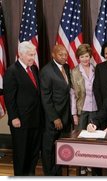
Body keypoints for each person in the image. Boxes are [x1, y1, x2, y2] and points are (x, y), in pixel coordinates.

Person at [3, 41, 42, 176]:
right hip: (20, 121)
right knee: (21, 153)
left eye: (34, 54)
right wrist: (13, 117)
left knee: (33, 152)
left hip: (35, 119)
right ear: (20, 54)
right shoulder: (12, 71)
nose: (32, 57)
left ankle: (30, 176)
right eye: (30, 55)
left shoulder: (34, 69)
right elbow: (9, 98)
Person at [40, 44, 72, 176]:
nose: (64, 57)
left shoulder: (66, 67)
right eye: (61, 54)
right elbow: (45, 98)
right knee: (48, 148)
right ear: (53, 55)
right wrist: (55, 118)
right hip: (53, 118)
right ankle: (49, 175)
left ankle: (57, 173)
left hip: (65, 115)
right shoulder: (46, 71)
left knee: (60, 148)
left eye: (65, 54)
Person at [70, 44, 97, 130]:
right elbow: (73, 94)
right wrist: (74, 114)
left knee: (94, 135)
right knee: (80, 135)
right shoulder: (74, 72)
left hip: (95, 108)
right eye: (82, 56)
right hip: (81, 110)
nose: (85, 59)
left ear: (90, 56)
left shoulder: (96, 69)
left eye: (87, 56)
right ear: (78, 58)